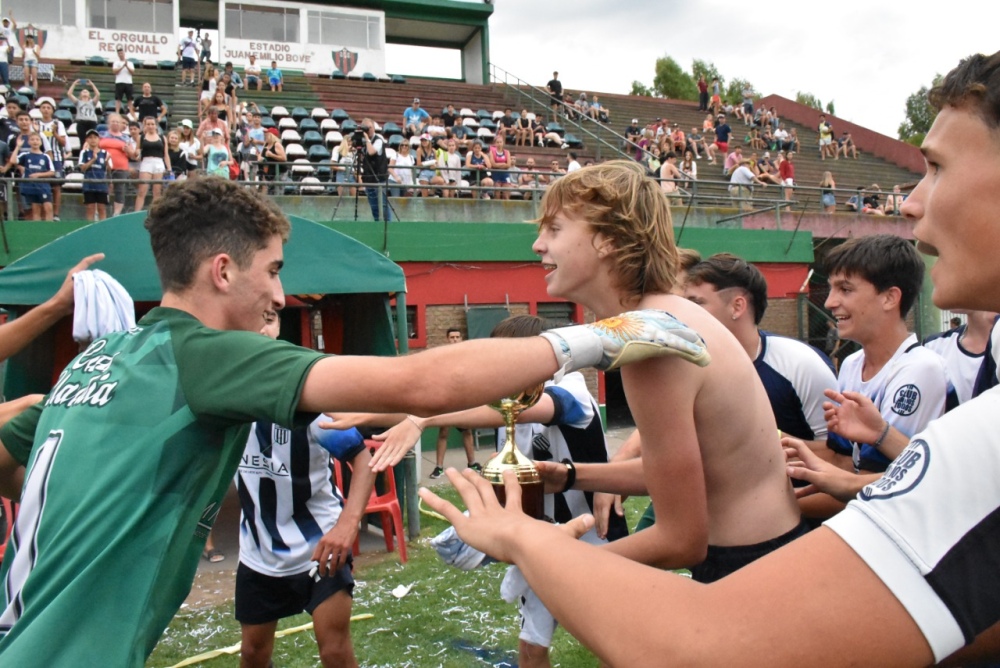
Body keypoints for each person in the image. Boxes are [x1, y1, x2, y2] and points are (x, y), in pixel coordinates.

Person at [0, 177, 703, 666]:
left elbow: (14, 457)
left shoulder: (100, 362)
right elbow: (422, 380)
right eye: (271, 271)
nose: (279, 292)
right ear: (222, 271)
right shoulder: (208, 356)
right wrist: (603, 336)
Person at [456, 161, 800, 589]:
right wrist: (570, 475)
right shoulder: (665, 318)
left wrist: (544, 562)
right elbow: (692, 471)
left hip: (747, 568)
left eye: (555, 229)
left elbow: (681, 540)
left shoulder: (649, 342)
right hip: (764, 554)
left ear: (605, 240)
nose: (537, 245)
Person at [236, 313, 373, 668]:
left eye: (268, 318)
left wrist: (347, 525)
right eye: (252, 317)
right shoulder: (224, 394)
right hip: (258, 549)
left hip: (319, 545)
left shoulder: (307, 396)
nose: (260, 327)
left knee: (334, 651)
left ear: (279, 326)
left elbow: (362, 460)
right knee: (253, 653)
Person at [823, 234, 949, 479]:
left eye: (845, 289)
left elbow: (878, 479)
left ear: (890, 298)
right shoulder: (851, 364)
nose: (829, 302)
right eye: (831, 288)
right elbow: (843, 459)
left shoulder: (921, 368)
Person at [429, 328, 478, 479]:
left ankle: (472, 463)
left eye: (457, 337)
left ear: (461, 338)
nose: (455, 339)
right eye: (452, 337)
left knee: (467, 431)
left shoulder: (466, 356)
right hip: (448, 400)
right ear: (447, 339)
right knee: (443, 432)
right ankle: (439, 467)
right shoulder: (443, 356)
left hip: (463, 399)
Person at [99, 113, 138, 216]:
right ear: (108, 123)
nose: (115, 123)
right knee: (103, 189)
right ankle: (101, 212)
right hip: (103, 166)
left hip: (121, 167)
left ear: (121, 124)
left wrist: (128, 150)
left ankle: (116, 213)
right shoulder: (101, 135)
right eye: (113, 121)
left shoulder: (126, 138)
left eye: (117, 122)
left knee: (120, 190)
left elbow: (133, 156)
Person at [35, 97, 67, 220]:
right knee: (42, 185)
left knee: (57, 186)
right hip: (40, 158)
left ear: (53, 110)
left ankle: (56, 214)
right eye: (44, 107)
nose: (46, 110)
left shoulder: (58, 124)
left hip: (57, 158)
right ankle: (43, 214)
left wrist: (54, 133)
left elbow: (63, 142)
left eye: (49, 108)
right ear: (40, 110)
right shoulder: (36, 124)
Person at [11, 132, 54, 220]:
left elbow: (52, 172)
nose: (35, 142)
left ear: (41, 142)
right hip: (31, 186)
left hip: (43, 186)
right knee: (35, 209)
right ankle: (38, 231)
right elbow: (12, 161)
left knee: (48, 207)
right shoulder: (25, 155)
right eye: (32, 139)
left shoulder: (45, 156)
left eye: (37, 139)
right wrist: (18, 146)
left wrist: (38, 175)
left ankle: (50, 228)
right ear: (29, 142)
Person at [358, 118, 391, 220]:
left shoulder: (378, 140)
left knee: (384, 205)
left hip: (379, 178)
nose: (369, 130)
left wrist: (367, 139)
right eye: (367, 128)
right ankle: (377, 224)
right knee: (374, 207)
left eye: (371, 127)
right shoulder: (364, 142)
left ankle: (388, 225)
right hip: (369, 179)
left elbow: (372, 152)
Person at [135, 115, 170, 211]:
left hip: (158, 162)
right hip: (146, 162)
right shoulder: (141, 137)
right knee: (142, 190)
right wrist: (137, 152)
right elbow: (137, 150)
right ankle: (136, 212)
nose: (150, 126)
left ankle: (155, 212)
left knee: (157, 191)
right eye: (148, 124)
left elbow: (166, 154)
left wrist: (169, 168)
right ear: (145, 125)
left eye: (152, 124)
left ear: (156, 125)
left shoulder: (162, 138)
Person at [78, 129, 110, 221]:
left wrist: (107, 162)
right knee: (90, 208)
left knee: (102, 208)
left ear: (98, 139)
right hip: (89, 185)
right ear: (87, 140)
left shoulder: (105, 153)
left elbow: (109, 170)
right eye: (90, 137)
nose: (93, 140)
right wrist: (93, 159)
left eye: (95, 137)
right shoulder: (84, 152)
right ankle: (89, 229)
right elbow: (82, 168)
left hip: (102, 186)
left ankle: (103, 228)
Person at [0, 13, 15, 88]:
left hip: (9, 45)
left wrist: (10, 15)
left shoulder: (10, 29)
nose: (5, 23)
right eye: (4, 22)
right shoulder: (1, 28)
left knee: (8, 61)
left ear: (8, 23)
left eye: (6, 22)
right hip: (3, 46)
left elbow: (15, 25)